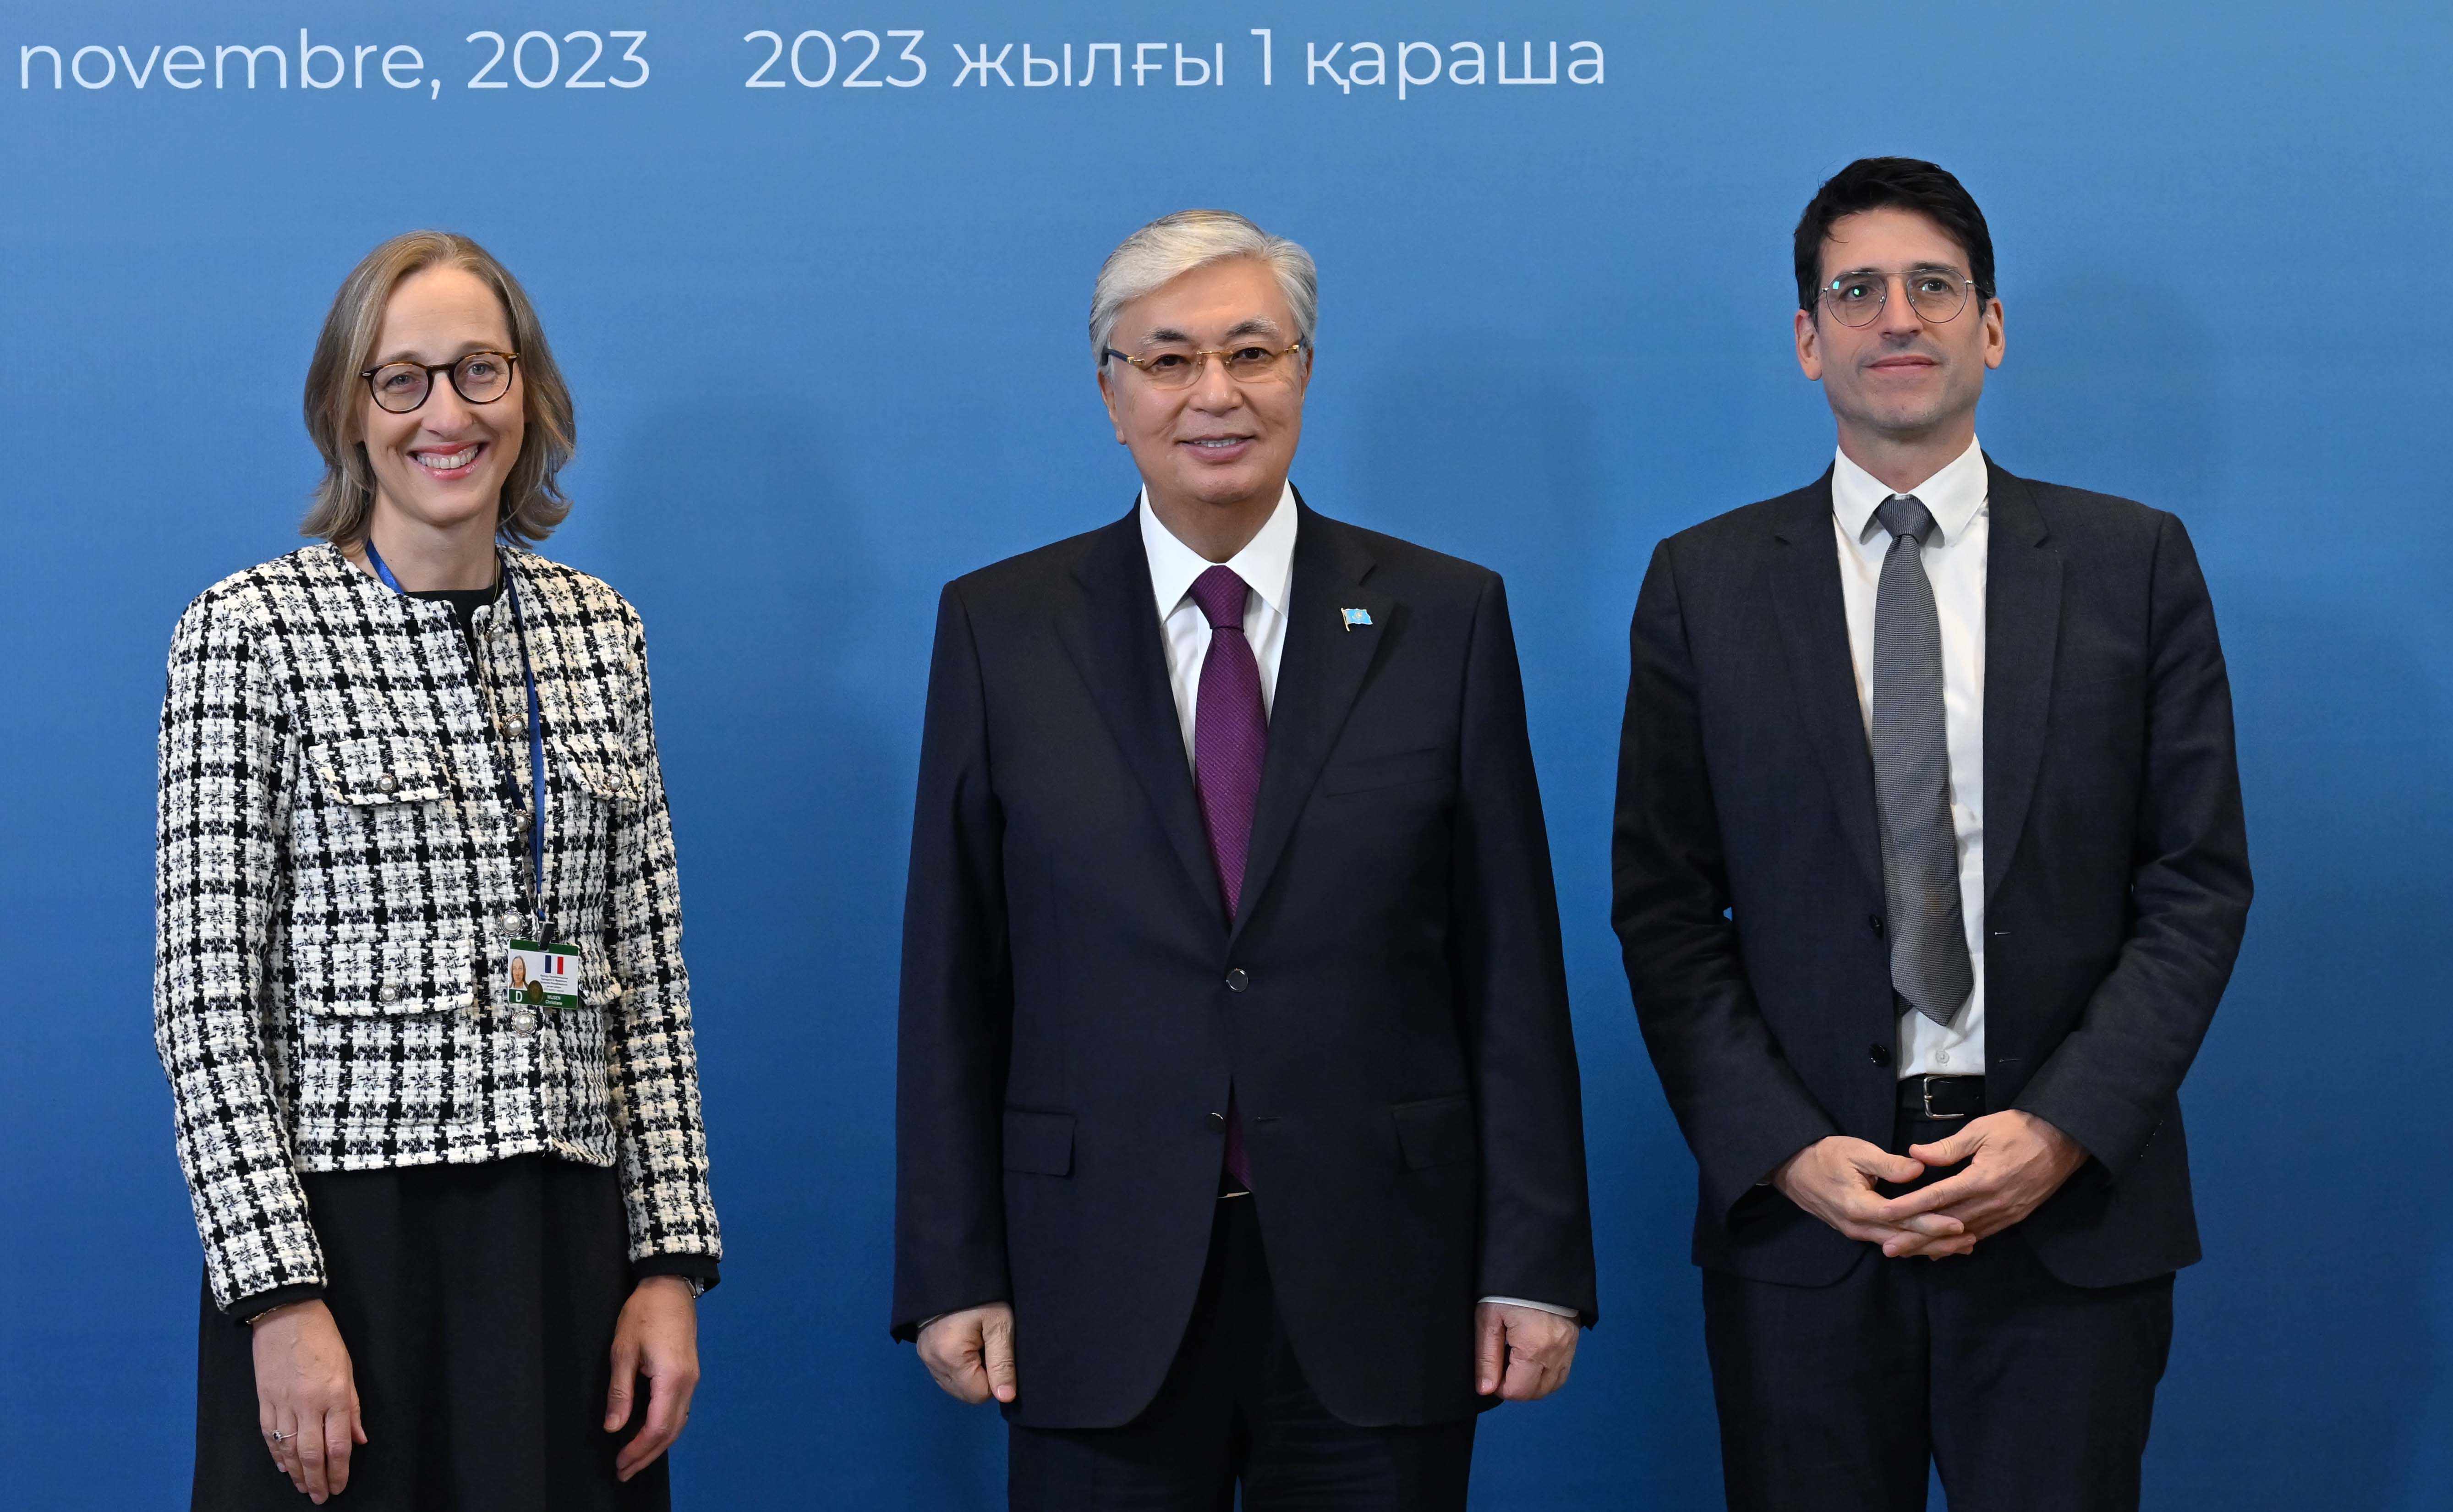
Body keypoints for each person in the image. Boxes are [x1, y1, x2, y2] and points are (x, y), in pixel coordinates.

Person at [894, 209, 1598, 1510]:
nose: (1214, 393)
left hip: (1384, 1276)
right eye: (1168, 360)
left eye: (1251, 353)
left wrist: (1533, 1261)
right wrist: (952, 1269)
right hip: (1089, 1278)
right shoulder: (1000, 626)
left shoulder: (1445, 617)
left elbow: (1510, 963)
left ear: (1304, 375)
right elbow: (954, 975)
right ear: (1111, 395)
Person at [1611, 157, 2253, 1510]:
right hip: (1806, 1223)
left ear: (1991, 327)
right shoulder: (1701, 585)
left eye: (1933, 287)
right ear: (1808, 340)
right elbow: (1664, 907)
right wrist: (1784, 1150)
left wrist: (2064, 1128)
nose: (1896, 316)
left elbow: (2196, 882)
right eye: (1856, 291)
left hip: (2065, 1217)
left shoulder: (2131, 564)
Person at [154, 231, 722, 1510]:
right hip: (348, 1247)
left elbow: (645, 977)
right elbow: (206, 1000)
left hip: (565, 1242)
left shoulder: (600, 630)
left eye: (480, 370)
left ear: (528, 392)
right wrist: (277, 1294)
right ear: (349, 409)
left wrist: (668, 1264)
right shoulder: (250, 632)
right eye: (401, 379)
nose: (447, 415)